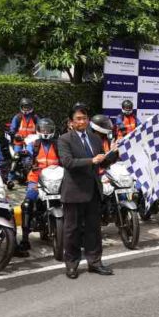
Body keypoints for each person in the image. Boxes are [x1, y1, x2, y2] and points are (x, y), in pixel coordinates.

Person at [56, 103, 118, 278]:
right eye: (78, 119)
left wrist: (113, 154)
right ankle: (72, 264)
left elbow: (102, 162)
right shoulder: (64, 139)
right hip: (74, 191)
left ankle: (95, 262)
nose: (82, 121)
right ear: (71, 122)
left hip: (93, 191)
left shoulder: (95, 139)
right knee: (72, 231)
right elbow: (68, 162)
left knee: (93, 230)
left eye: (84, 118)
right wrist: (91, 160)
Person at [17, 118, 60, 253]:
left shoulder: (58, 144)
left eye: (48, 129)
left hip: (56, 179)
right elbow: (27, 156)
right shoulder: (33, 144)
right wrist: (27, 162)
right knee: (27, 203)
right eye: (43, 129)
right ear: (39, 130)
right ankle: (24, 239)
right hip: (36, 179)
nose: (46, 132)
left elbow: (65, 158)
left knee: (71, 199)